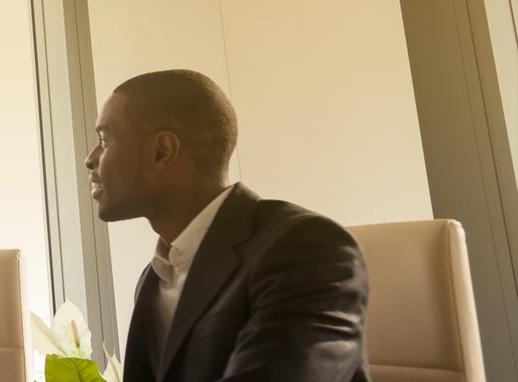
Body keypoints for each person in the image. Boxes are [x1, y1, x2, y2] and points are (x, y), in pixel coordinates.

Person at [85, 69, 369, 381]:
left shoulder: (308, 249)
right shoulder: (155, 277)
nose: (91, 158)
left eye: (104, 139)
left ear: (161, 151)